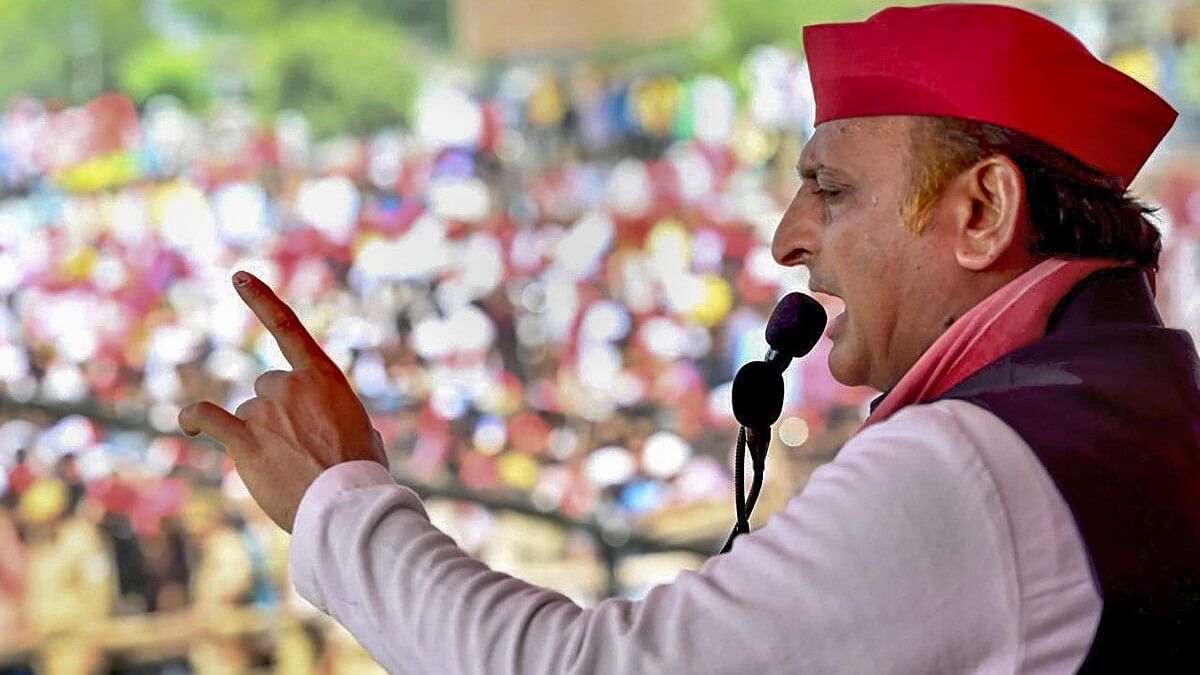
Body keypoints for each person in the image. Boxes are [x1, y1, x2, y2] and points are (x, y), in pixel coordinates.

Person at [179, 4, 1199, 673]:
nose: (788, 237)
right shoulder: (1155, 398)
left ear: (982, 212)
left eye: (830, 190)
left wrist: (339, 497)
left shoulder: (971, 467)